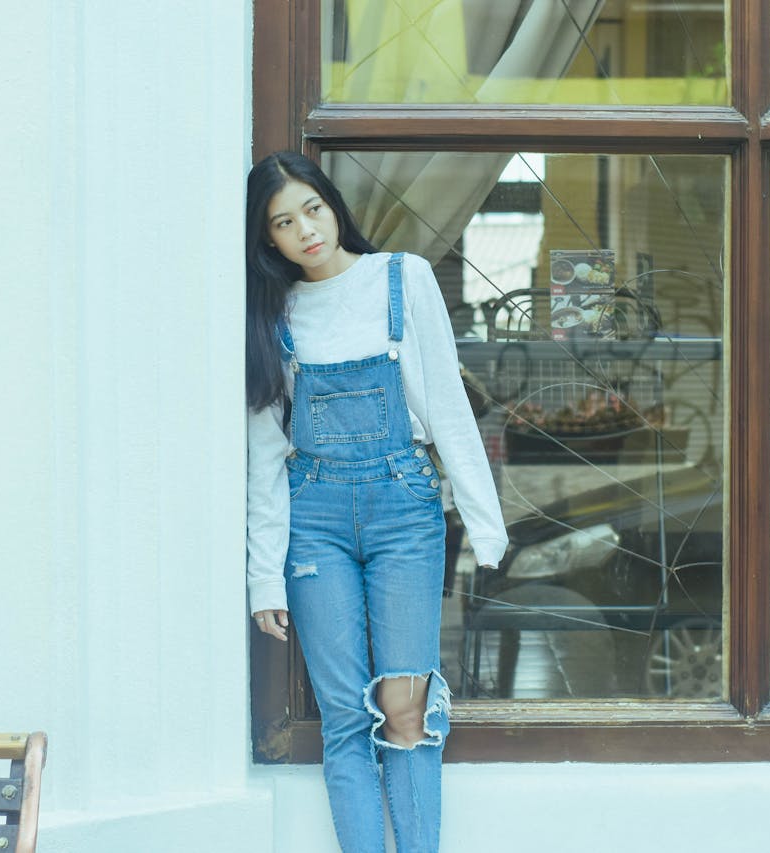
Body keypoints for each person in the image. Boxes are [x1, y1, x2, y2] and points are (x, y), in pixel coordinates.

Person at [245, 151, 507, 853]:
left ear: (334, 207)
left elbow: (447, 408)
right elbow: (268, 456)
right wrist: (264, 572)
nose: (304, 229)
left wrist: (486, 523)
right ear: (266, 239)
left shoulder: (402, 278)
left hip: (403, 508)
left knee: (405, 708)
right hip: (315, 521)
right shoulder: (273, 317)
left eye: (312, 209)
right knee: (343, 718)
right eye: (282, 222)